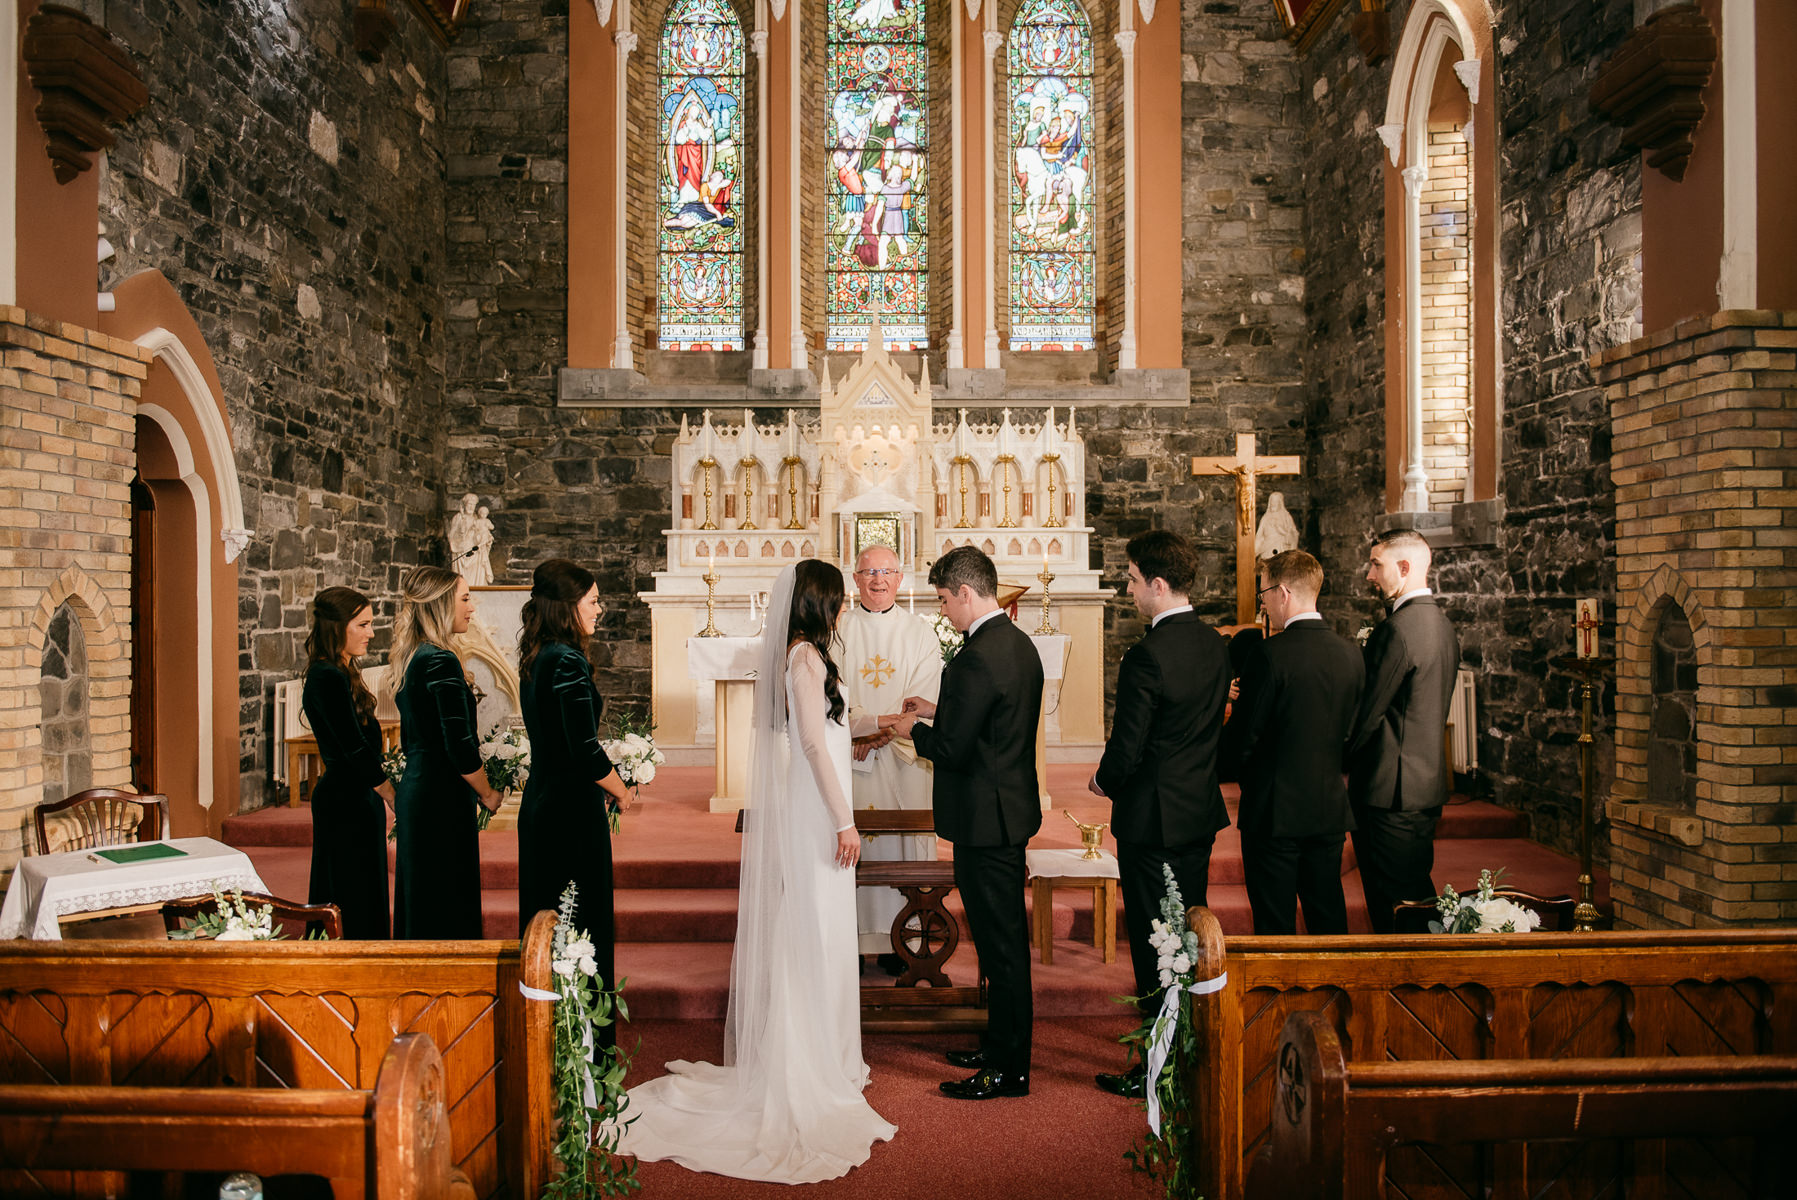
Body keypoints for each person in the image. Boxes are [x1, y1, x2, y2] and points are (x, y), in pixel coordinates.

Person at [619, 561, 896, 1182]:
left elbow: (832, 727)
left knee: (825, 928)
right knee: (814, 930)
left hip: (820, 801)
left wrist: (883, 724)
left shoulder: (810, 657)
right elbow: (812, 745)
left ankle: (827, 1054)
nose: (848, 606)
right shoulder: (804, 659)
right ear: (820, 603)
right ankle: (805, 1064)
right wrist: (842, 821)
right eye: (841, 598)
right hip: (816, 809)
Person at [893, 545, 1044, 1101]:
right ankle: (999, 1046)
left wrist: (916, 731)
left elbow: (955, 751)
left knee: (1002, 948)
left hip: (986, 820)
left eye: (942, 600)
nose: (941, 612)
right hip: (1004, 810)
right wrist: (940, 710)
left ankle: (1009, 1069)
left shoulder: (977, 655)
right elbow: (995, 724)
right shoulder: (1016, 642)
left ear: (965, 592)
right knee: (999, 944)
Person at [1086, 531, 1231, 1098]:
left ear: (1159, 584)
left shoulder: (1148, 654)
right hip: (1197, 811)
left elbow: (1129, 746)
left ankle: (1159, 1065)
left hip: (1152, 821)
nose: (1128, 587)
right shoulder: (1216, 644)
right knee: (1188, 936)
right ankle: (1186, 1050)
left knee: (1156, 945)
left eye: (1132, 578)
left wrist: (1102, 780)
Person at [516, 559, 634, 1041]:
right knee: (578, 921)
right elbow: (583, 747)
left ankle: (552, 1039)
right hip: (567, 810)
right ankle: (583, 1046)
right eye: (592, 601)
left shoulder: (540, 654)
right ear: (568, 608)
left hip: (545, 800)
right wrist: (622, 790)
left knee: (551, 922)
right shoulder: (565, 660)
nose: (600, 610)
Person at [1223, 550, 1365, 937]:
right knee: (1328, 913)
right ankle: (1333, 992)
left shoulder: (1268, 655)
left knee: (1274, 921)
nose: (1264, 603)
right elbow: (1355, 729)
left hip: (1274, 811)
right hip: (1328, 807)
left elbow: (1243, 738)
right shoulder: (1351, 654)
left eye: (1265, 592)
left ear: (1283, 592)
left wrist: (1232, 766)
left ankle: (1280, 998)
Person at [1349, 528, 1460, 933]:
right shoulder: (1442, 625)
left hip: (1388, 792)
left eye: (1376, 564)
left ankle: (1405, 986)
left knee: (1393, 905)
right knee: (1414, 894)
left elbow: (1367, 715)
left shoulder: (1396, 630)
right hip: (1425, 785)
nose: (1369, 575)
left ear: (1405, 566)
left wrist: (1333, 757)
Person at [839, 543, 940, 973]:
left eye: (886, 571)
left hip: (903, 758)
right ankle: (855, 941)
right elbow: (831, 693)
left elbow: (926, 694)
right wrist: (858, 729)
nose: (877, 579)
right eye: (868, 571)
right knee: (854, 846)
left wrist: (878, 732)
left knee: (902, 844)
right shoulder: (838, 631)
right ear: (855, 579)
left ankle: (904, 937)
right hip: (851, 756)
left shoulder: (920, 632)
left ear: (901, 578)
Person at [388, 565, 502, 939]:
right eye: (465, 598)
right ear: (440, 605)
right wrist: (487, 792)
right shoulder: (439, 659)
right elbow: (459, 744)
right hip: (439, 794)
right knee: (445, 897)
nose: (472, 608)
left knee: (422, 896)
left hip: (419, 788)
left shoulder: (416, 656)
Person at [301, 586, 394, 939]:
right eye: (363, 625)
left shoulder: (342, 672)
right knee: (348, 888)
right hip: (344, 800)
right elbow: (353, 747)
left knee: (364, 887)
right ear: (337, 627)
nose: (371, 633)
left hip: (357, 796)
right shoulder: (326, 676)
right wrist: (390, 792)